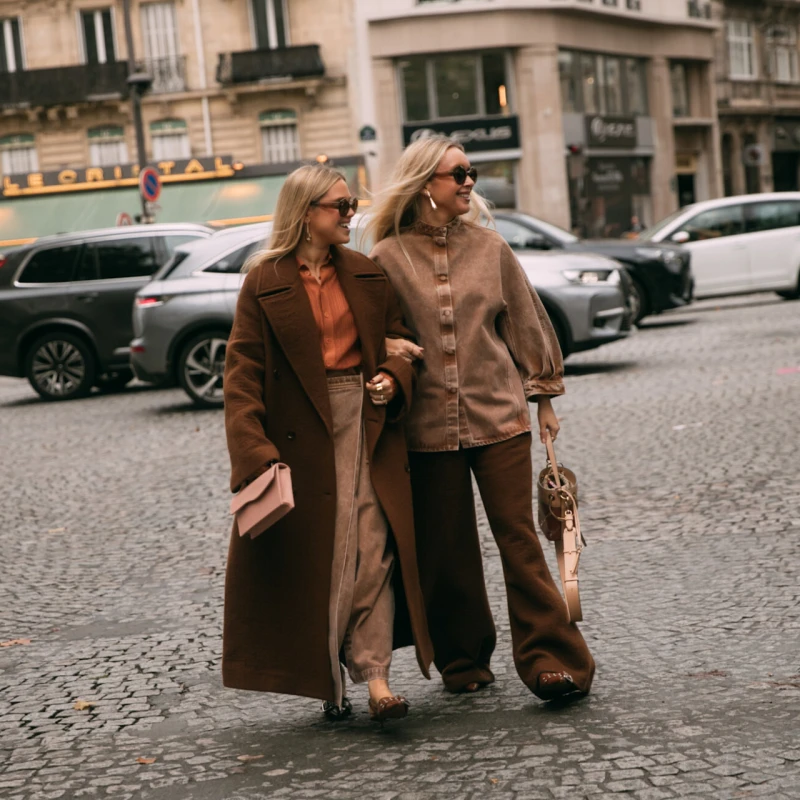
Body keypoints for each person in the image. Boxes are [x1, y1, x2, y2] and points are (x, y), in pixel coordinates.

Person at [367, 136, 595, 701]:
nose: (470, 182)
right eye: (459, 173)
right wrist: (390, 350)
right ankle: (464, 660)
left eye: (472, 172)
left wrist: (544, 399)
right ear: (426, 184)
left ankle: (551, 660)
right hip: (426, 427)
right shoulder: (387, 258)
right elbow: (377, 332)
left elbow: (525, 322)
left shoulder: (491, 248)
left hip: (500, 417)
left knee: (519, 540)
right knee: (447, 550)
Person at [222, 164, 433, 723]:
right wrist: (254, 452)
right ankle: (327, 677)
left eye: (351, 204)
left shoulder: (364, 272)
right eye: (340, 206)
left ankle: (377, 678)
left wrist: (392, 376)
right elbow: (242, 375)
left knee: (373, 545)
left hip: (367, 419)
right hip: (300, 433)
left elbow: (401, 341)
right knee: (328, 553)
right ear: (305, 212)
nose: (350, 215)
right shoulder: (263, 281)